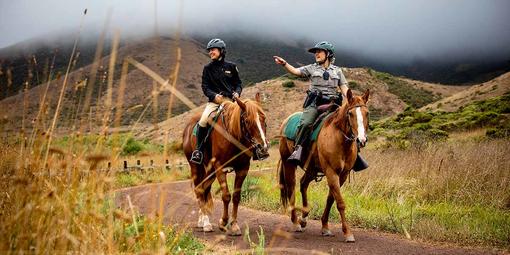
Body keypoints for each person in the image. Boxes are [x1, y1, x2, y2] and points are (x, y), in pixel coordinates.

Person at [273, 41, 368, 171]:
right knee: (306, 123)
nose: (316, 54)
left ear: (328, 54)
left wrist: (353, 100)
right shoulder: (311, 68)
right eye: (315, 52)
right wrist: (285, 64)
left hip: (333, 105)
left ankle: (355, 156)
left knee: (349, 123)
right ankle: (298, 150)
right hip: (315, 105)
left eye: (319, 51)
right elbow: (295, 71)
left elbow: (345, 88)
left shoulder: (337, 71)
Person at [190, 38, 242, 164]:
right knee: (202, 121)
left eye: (213, 50)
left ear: (221, 50)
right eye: (209, 51)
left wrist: (237, 93)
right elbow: (205, 87)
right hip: (214, 103)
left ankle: (255, 149)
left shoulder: (232, 67)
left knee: (246, 118)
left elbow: (238, 83)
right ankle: (199, 151)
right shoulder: (207, 68)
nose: (210, 52)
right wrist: (213, 96)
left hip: (232, 102)